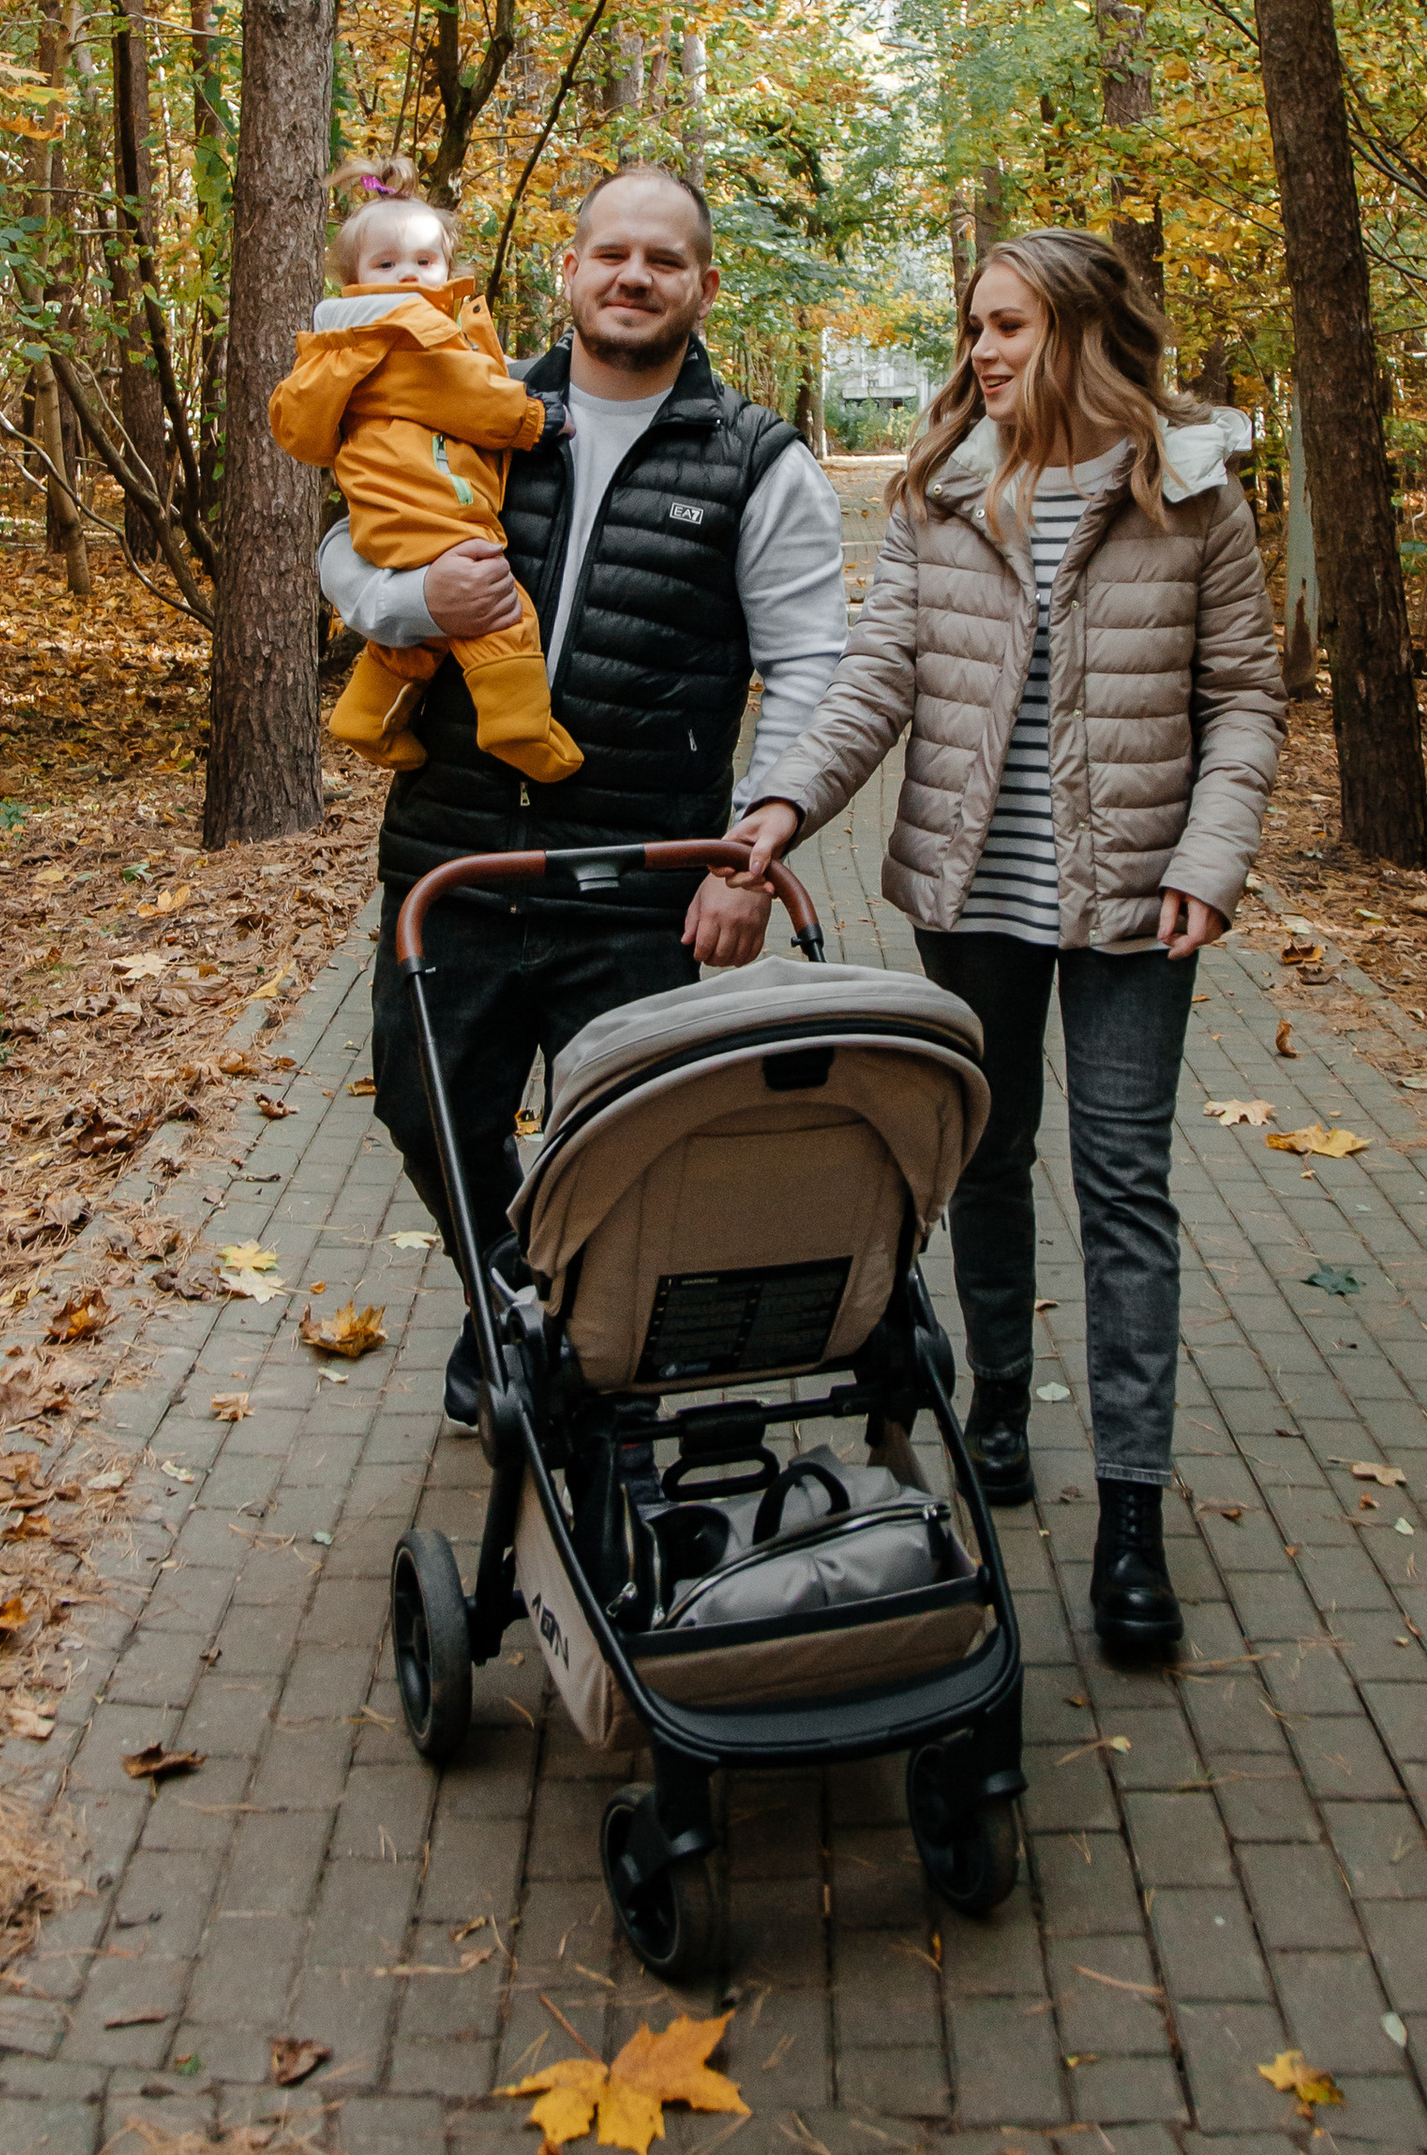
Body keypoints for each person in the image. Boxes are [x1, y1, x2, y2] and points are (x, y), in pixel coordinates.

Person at [723, 229, 1284, 1662]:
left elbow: (1245, 703)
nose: (981, 351)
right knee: (986, 1155)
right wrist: (780, 806)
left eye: (1011, 327)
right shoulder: (942, 493)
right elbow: (876, 681)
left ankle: (1134, 1517)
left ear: (1085, 336)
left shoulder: (1194, 495)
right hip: (970, 897)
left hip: (1137, 904)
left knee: (1124, 1189)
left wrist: (1212, 869)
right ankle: (995, 1406)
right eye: (975, 325)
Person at [320, 163, 849, 1426]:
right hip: (451, 863)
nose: (632, 277)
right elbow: (351, 540)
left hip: (637, 882)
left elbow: (813, 663)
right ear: (566, 272)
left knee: (625, 1147)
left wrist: (752, 853)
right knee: (424, 1109)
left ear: (703, 288)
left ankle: (572, 1348)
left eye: (663, 261)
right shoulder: (470, 402)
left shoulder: (756, 460)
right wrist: (413, 606)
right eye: (610, 253)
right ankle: (512, 1305)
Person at [268, 160, 581, 783]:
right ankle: (517, 725)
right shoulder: (409, 336)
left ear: (447, 265)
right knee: (497, 611)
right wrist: (534, 419)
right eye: (386, 265)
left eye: (423, 261)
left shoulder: (347, 344)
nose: (407, 274)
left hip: (390, 516)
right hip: (435, 508)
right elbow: (471, 398)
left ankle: (366, 716)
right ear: (354, 279)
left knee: (424, 637)